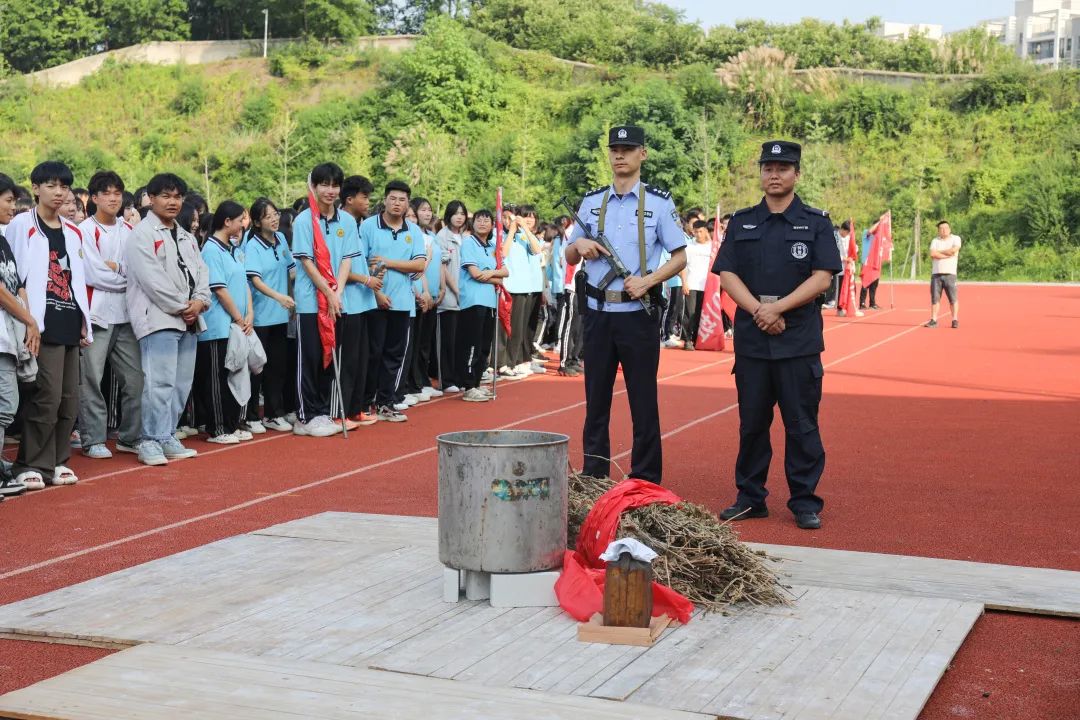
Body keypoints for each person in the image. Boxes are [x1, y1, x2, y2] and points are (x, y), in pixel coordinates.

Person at [713, 140, 842, 530]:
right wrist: (759, 310)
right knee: (752, 424)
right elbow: (728, 273)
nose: (774, 174)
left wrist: (778, 308)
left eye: (783, 168)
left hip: (797, 339)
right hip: (754, 338)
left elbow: (822, 277)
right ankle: (751, 498)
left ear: (796, 174)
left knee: (801, 424)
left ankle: (804, 500)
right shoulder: (743, 221)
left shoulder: (816, 223)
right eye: (768, 167)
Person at [564, 125, 687, 484]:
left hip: (638, 314)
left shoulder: (660, 204)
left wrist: (649, 280)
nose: (620, 155)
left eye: (628, 149)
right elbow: (572, 254)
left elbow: (680, 257)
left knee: (643, 400)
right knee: (596, 399)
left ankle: (645, 476)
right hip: (599, 315)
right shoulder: (591, 202)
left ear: (642, 154)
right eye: (615, 149)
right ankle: (595, 471)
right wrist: (579, 247)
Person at [6, 161, 93, 489]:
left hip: (70, 321)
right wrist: (27, 321)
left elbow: (77, 279)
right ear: (36, 188)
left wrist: (84, 320)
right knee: (45, 396)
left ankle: (57, 460)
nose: (59, 193)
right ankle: (30, 462)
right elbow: (14, 279)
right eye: (52, 186)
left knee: (69, 399)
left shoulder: (72, 231)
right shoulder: (21, 225)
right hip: (39, 324)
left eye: (64, 187)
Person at [125, 173, 211, 466]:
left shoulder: (186, 235)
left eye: (177, 197)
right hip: (159, 319)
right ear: (150, 199)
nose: (172, 202)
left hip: (189, 319)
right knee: (158, 382)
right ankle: (149, 439)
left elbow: (201, 272)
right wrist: (182, 306)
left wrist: (200, 301)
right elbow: (151, 280)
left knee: (180, 384)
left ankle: (166, 434)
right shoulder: (141, 234)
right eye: (165, 196)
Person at [77, 171, 143, 460]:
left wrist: (116, 268)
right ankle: (93, 438)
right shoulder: (83, 230)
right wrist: (120, 271)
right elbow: (92, 274)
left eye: (118, 192)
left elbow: (137, 272)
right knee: (91, 379)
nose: (114, 198)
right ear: (94, 198)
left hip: (127, 315)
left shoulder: (129, 231)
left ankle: (130, 436)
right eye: (107, 193)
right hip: (96, 316)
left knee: (136, 380)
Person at [290, 163, 357, 437]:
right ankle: (306, 415)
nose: (330, 191)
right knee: (311, 357)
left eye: (335, 185)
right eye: (324, 185)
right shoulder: (305, 220)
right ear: (314, 187)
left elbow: (347, 260)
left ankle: (323, 410)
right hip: (311, 301)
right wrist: (327, 293)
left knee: (331, 357)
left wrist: (337, 292)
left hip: (337, 301)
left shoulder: (348, 221)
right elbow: (306, 261)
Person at [360, 180, 426, 422]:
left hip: (402, 302)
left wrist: (388, 262)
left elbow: (419, 264)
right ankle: (366, 401)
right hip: (373, 301)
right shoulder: (368, 227)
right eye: (393, 198)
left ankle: (387, 401)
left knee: (395, 355)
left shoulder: (413, 231)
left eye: (402, 200)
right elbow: (362, 263)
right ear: (385, 200)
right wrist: (376, 293)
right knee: (372, 353)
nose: (397, 203)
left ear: (408, 203)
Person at [194, 201, 255, 445]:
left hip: (235, 324)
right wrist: (239, 318)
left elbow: (244, 283)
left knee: (233, 374)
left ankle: (231, 422)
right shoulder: (210, 250)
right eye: (240, 219)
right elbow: (219, 289)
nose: (243, 224)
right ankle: (217, 426)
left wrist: (249, 313)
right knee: (216, 377)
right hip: (218, 324)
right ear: (226, 221)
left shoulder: (233, 249)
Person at [0, 173, 40, 497]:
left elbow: (18, 284)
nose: (13, 207)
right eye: (8, 199)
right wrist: (29, 319)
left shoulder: (3, 240)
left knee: (7, 405)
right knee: (5, 406)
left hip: (9, 336)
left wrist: (30, 323)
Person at [243, 198, 296, 433]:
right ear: (256, 222)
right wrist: (279, 296)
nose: (274, 219)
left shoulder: (281, 239)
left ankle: (274, 413)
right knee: (257, 368)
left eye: (275, 214)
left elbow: (291, 270)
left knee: (278, 367)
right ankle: (252, 414)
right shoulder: (252, 245)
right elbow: (255, 280)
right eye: (268, 216)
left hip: (281, 315)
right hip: (261, 315)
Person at [336, 175, 380, 429]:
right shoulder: (342, 224)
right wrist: (365, 279)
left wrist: (371, 271)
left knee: (363, 358)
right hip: (348, 302)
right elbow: (338, 265)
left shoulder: (358, 225)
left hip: (363, 302)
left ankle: (356, 408)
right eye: (364, 197)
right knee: (348, 360)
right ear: (349, 198)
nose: (367, 202)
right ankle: (341, 408)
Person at [457, 210, 507, 401]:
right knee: (472, 344)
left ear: (493, 225)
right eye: (479, 219)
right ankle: (468, 386)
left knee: (485, 345)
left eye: (487, 220)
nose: (483, 222)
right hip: (473, 299)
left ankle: (477, 382)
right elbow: (475, 273)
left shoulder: (494, 246)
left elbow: (506, 272)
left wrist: (492, 275)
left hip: (490, 301)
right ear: (473, 223)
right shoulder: (469, 243)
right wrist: (494, 276)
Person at [402, 197, 441, 405]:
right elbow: (417, 268)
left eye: (413, 216)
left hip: (428, 294)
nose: (415, 219)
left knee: (422, 343)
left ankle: (420, 381)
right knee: (410, 345)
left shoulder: (429, 236)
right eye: (411, 215)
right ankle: (409, 384)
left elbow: (431, 269)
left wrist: (434, 290)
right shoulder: (407, 237)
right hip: (409, 296)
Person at [435, 201, 468, 393]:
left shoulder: (465, 237)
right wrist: (456, 290)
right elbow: (443, 268)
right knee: (446, 340)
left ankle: (457, 377)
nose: (459, 217)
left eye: (462, 214)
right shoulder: (442, 237)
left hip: (464, 297)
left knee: (459, 340)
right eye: (455, 213)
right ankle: (445, 379)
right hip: (449, 297)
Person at [680, 219, 712, 351]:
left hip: (707, 286)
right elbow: (682, 266)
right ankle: (687, 340)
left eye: (701, 231)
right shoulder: (689, 246)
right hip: (692, 284)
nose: (698, 234)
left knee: (700, 314)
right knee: (689, 313)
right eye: (696, 232)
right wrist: (684, 283)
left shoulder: (712, 247)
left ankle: (696, 339)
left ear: (705, 232)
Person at [926, 220, 961, 329]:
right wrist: (947, 254)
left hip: (950, 274)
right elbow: (932, 254)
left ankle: (954, 319)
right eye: (941, 228)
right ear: (938, 231)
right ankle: (934, 320)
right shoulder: (935, 240)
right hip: (936, 274)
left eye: (945, 228)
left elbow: (953, 251)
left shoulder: (956, 239)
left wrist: (939, 252)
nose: (943, 230)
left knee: (953, 298)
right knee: (935, 299)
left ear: (949, 229)